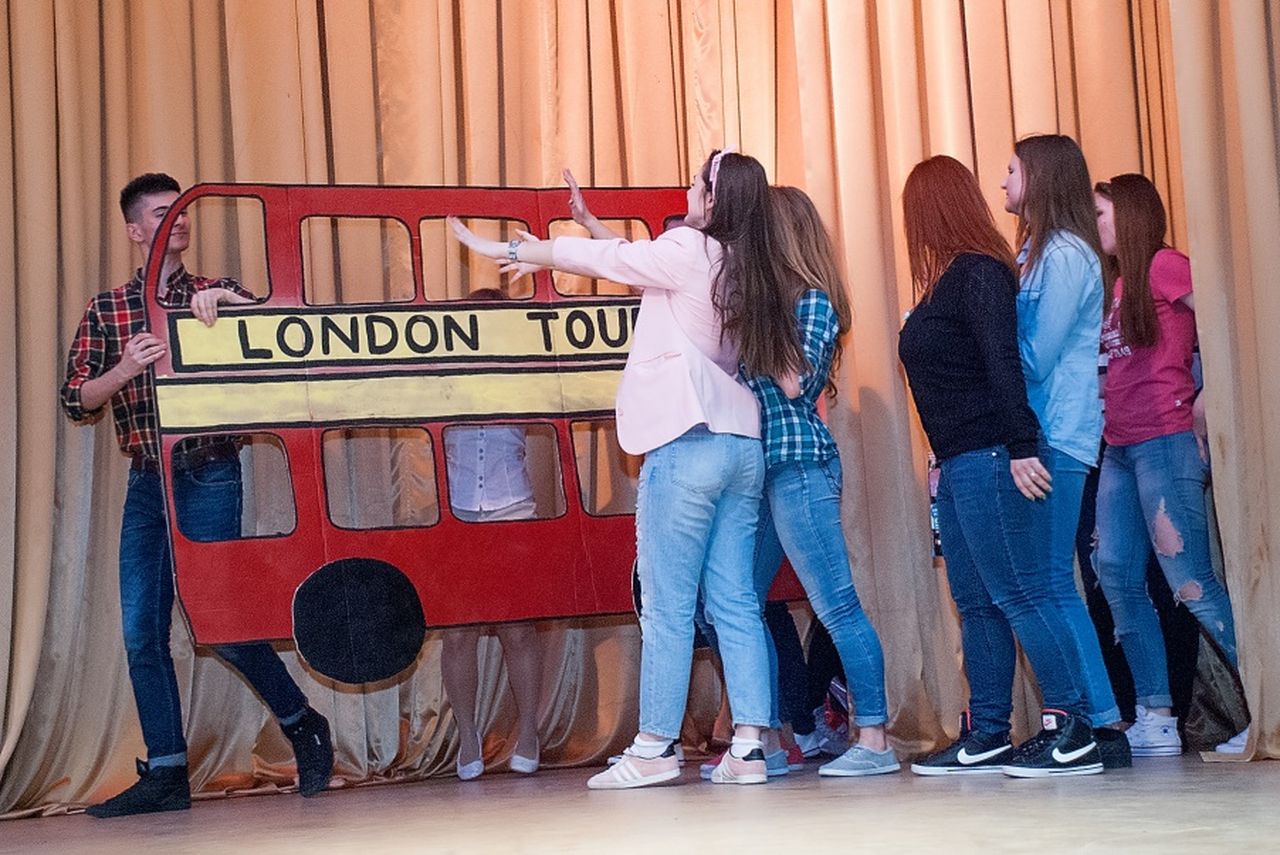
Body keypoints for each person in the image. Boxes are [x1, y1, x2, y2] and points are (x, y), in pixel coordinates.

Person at [449, 150, 796, 789]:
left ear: (715, 199)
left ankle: (656, 746)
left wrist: (522, 249)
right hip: (739, 444)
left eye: (697, 182)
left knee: (667, 607)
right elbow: (640, 265)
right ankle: (751, 746)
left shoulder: (689, 248)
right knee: (735, 602)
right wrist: (589, 222)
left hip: (686, 443)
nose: (688, 189)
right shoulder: (746, 263)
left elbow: (614, 262)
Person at [60, 173, 334, 817]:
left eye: (181, 210)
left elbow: (286, 339)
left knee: (222, 620)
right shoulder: (108, 309)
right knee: (142, 632)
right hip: (147, 479)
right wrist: (124, 368)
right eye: (162, 213)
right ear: (135, 230)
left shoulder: (216, 291)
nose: (177, 220)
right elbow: (76, 399)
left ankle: (302, 724)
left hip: (209, 470)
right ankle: (166, 772)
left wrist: (235, 313)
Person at [897, 155, 1102, 777]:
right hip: (958, 463)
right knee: (976, 600)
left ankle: (1073, 728)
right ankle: (988, 731)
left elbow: (1003, 363)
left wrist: (1020, 447)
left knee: (1023, 592)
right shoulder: (947, 280)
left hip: (992, 455)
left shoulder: (980, 274)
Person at [704, 186, 896, 779]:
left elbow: (794, 383)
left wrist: (761, 315)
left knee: (836, 605)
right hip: (761, 471)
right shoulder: (765, 306)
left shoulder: (813, 302)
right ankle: (766, 738)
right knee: (733, 604)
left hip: (801, 467)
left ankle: (875, 738)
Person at [1092, 174, 1248, 755]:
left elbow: (1222, 322)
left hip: (1165, 440)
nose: (1095, 224)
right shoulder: (1119, 285)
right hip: (1120, 448)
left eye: (1102, 213)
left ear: (1130, 214)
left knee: (1192, 582)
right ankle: (1155, 714)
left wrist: (1207, 397)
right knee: (1116, 573)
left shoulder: (1165, 265)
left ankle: (1268, 702)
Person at [1001, 134, 1129, 767]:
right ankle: (1097, 721)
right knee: (1049, 582)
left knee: (1051, 581)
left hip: (1057, 434)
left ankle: (1097, 723)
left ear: (1041, 177)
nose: (1002, 182)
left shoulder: (1068, 254)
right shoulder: (1035, 251)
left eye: (1012, 169)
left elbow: (1036, 354)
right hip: (1044, 431)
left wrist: (983, 354)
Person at [441, 290, 544, 778]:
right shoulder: (443, 377)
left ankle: (530, 733)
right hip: (456, 513)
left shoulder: (525, 373)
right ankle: (468, 737)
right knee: (458, 632)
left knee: (518, 629)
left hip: (514, 507)